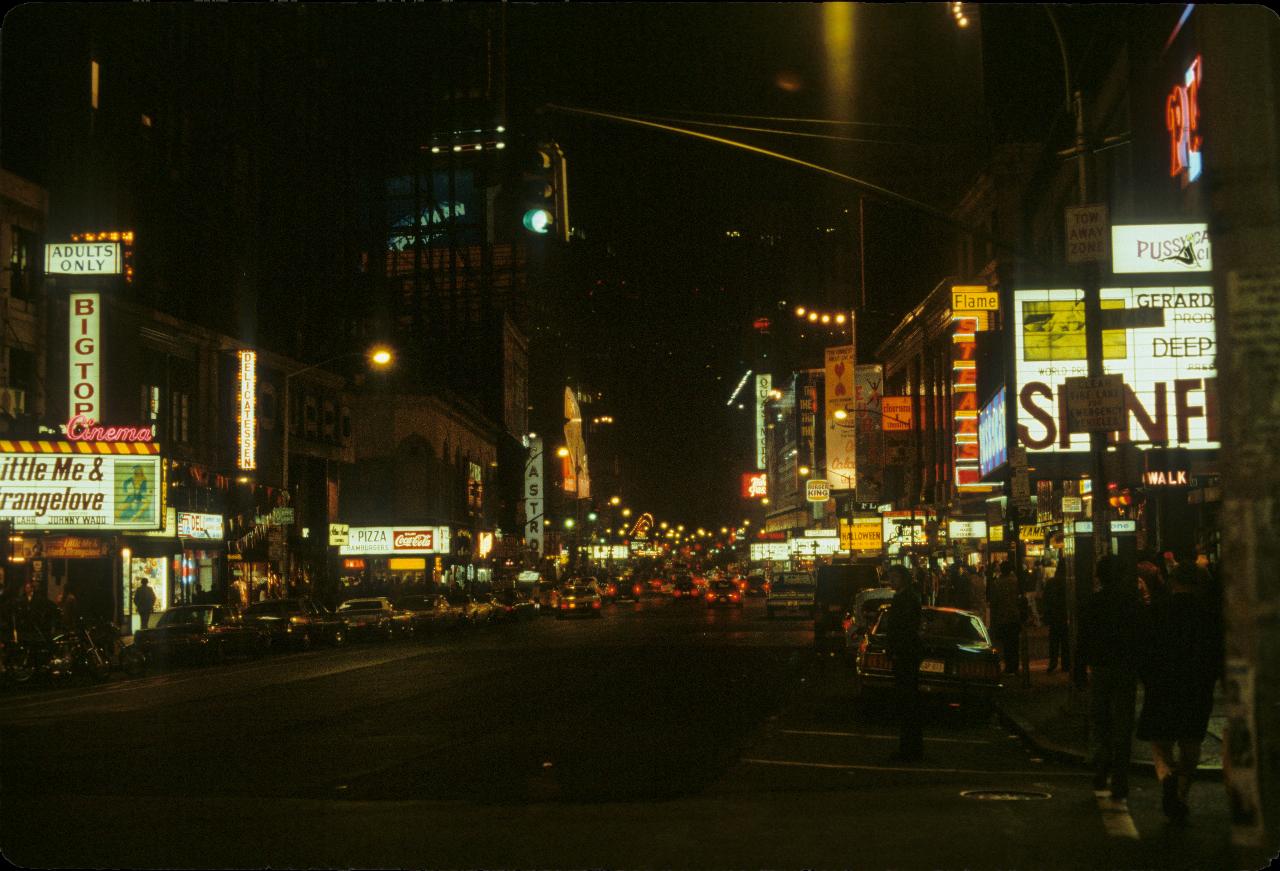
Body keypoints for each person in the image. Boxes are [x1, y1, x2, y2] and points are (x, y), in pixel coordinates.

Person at [1136, 558, 1224, 822]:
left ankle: (1166, 776)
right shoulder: (1207, 615)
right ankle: (1182, 793)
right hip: (1196, 686)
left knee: (1160, 742)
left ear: (1173, 582)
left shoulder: (1157, 611)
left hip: (1162, 685)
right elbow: (1216, 654)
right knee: (1190, 743)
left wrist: (1148, 678)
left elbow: (1145, 650)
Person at [1078, 555, 1146, 801]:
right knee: (1124, 723)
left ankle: (1101, 762)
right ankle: (1120, 779)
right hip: (1126, 668)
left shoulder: (1094, 602)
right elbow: (1141, 638)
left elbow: (1084, 637)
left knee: (1100, 718)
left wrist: (1078, 668)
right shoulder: (1132, 603)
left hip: (1101, 667)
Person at [884, 564, 923, 762]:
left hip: (905, 655)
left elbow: (904, 628)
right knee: (908, 703)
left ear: (903, 578)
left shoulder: (905, 599)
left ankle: (909, 748)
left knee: (907, 702)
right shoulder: (908, 597)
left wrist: (896, 650)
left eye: (894, 577)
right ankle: (910, 746)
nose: (891, 581)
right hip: (907, 653)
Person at [989, 561, 1022, 675]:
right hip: (1014, 616)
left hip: (1003, 617)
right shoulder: (1015, 582)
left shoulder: (998, 583)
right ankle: (1015, 665)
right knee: (1014, 643)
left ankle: (1009, 666)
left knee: (1006, 644)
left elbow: (994, 602)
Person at [1042, 560, 1070, 674]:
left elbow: (1046, 599)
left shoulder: (1051, 582)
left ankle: (1053, 663)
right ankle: (1065, 664)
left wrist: (1046, 614)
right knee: (1065, 641)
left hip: (1054, 615)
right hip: (1064, 615)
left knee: (1054, 641)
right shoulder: (1068, 582)